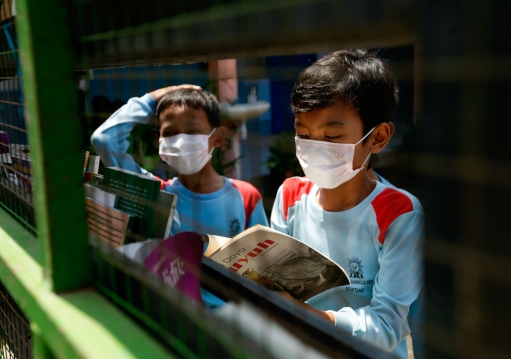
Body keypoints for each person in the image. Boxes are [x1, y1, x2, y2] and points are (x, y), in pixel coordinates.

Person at [270, 49, 423, 358]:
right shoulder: (289, 196)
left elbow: (387, 324)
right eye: (304, 134)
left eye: (332, 137)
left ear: (377, 137)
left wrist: (307, 317)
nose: (314, 149)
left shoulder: (399, 214)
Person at [91, 85, 268, 237]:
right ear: (158, 140)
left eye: (192, 131)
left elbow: (265, 264)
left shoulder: (246, 197)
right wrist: (154, 98)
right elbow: (104, 139)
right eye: (169, 133)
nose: (181, 141)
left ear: (218, 138)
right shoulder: (155, 195)